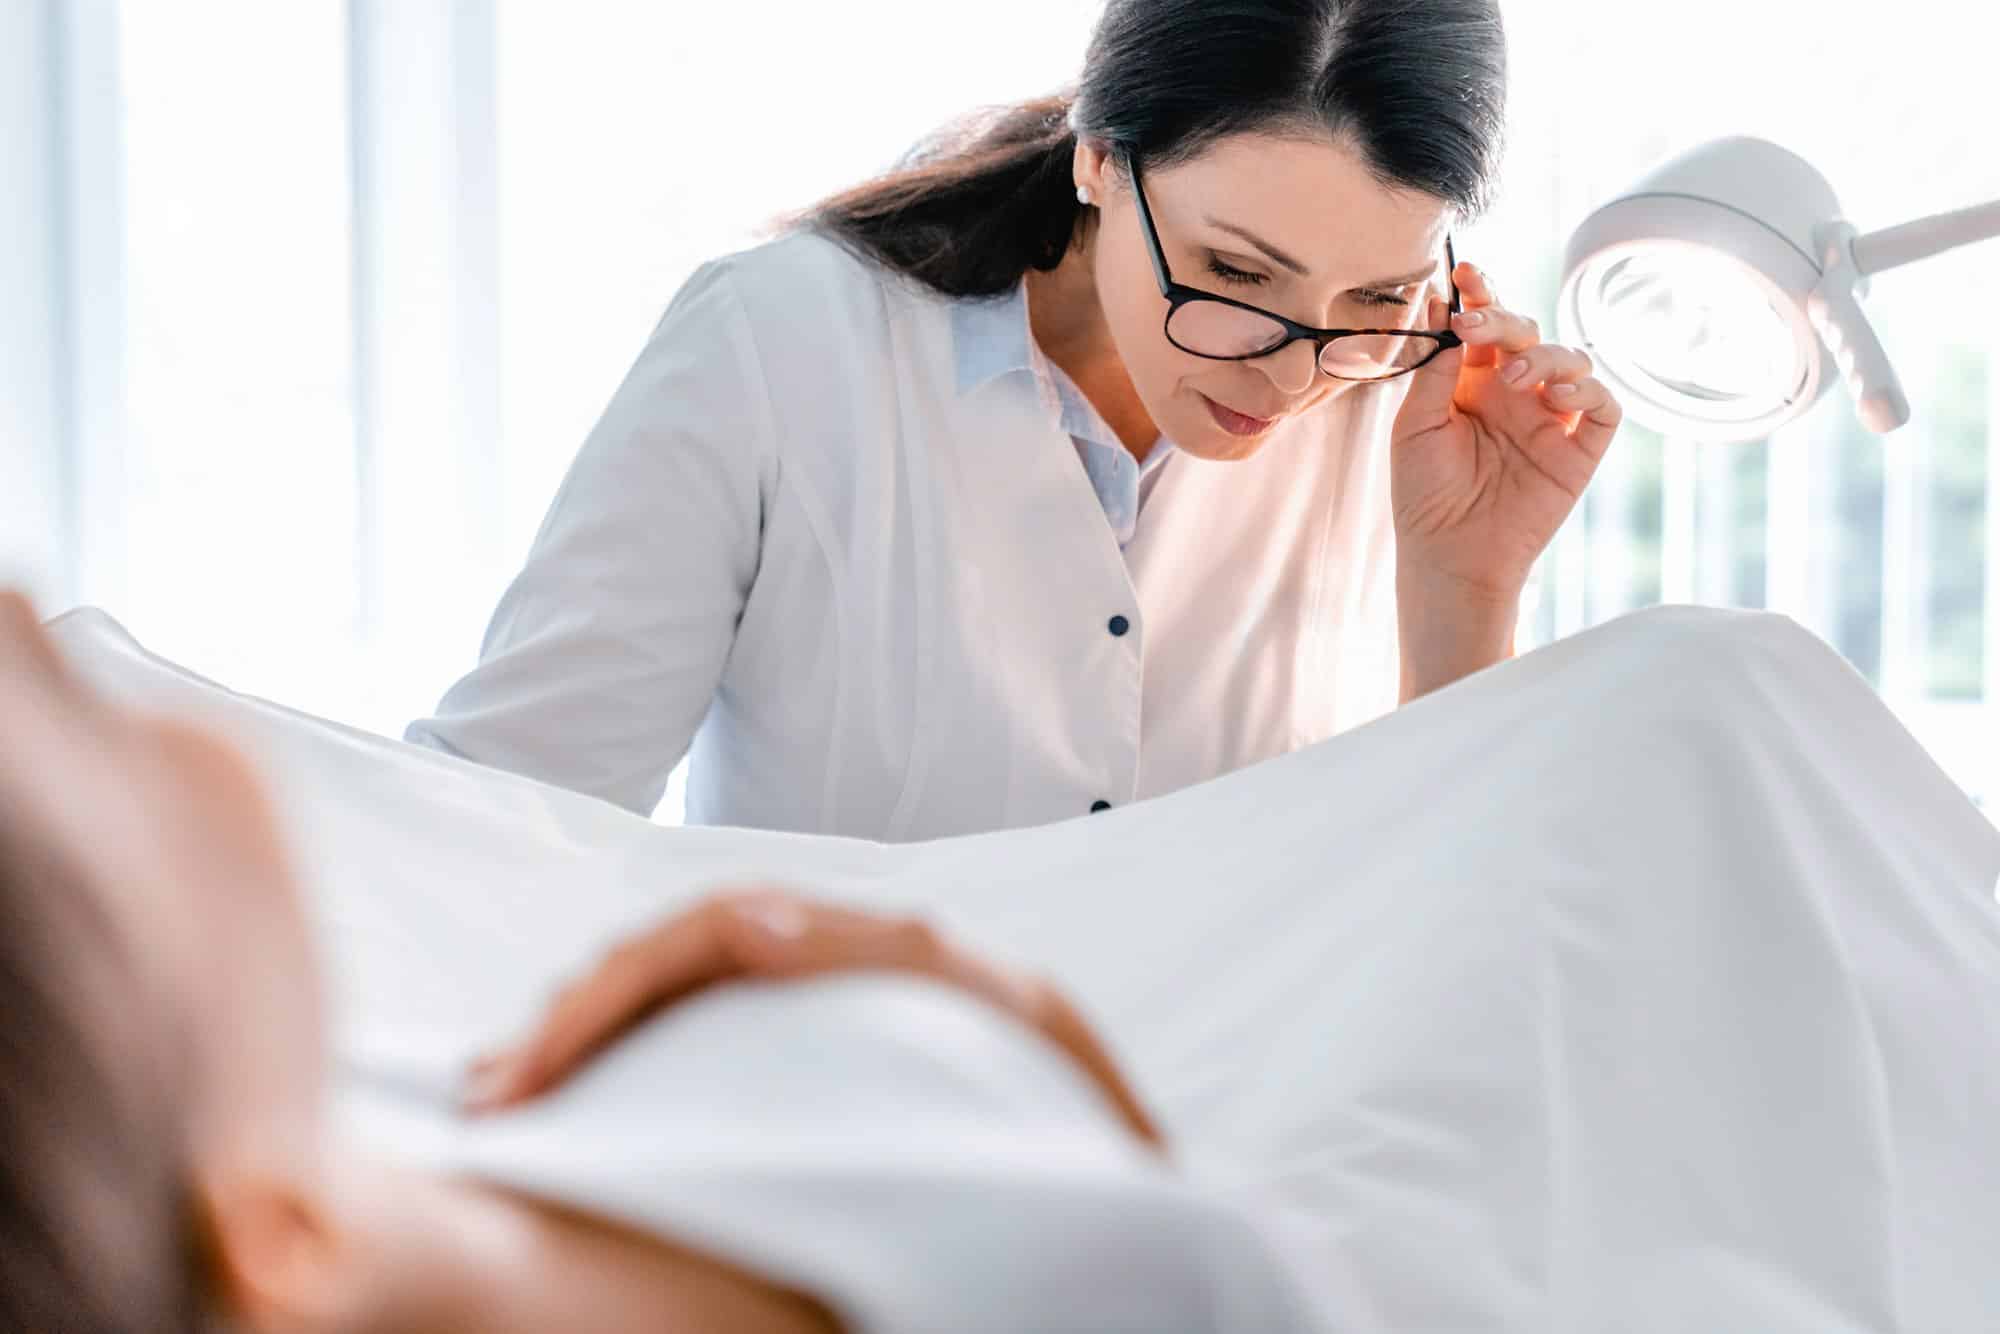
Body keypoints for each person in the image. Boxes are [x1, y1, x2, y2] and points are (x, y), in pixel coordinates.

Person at [407, 0, 1623, 842]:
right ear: (1099, 157)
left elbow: (1452, 928)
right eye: (1234, 274)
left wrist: (1465, 588)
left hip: (1226, 1152)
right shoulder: (782, 345)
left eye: (1369, 294)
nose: (1293, 371)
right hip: (816, 1138)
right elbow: (518, 808)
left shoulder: (1404, 409)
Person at [0, 590, 1183, 1333]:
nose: (22, 619)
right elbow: (1210, 1265)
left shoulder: (253, 1121)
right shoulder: (1087, 1277)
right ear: (281, 1239)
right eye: (58, 754)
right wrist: (995, 1003)